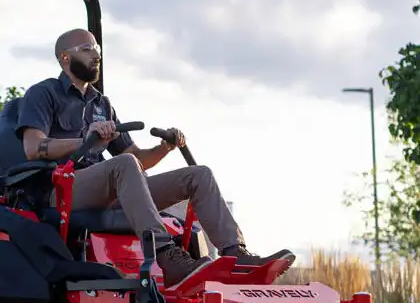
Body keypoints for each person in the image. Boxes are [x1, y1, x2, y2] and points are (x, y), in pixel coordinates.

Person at [16, 28, 295, 288]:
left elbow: (136, 158)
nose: (97, 55)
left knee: (199, 174)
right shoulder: (43, 93)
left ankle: (236, 255)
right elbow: (32, 147)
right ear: (65, 58)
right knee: (123, 166)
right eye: (87, 48)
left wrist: (164, 147)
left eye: (97, 48)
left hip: (109, 186)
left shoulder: (102, 103)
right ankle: (167, 255)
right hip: (62, 189)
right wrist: (86, 140)